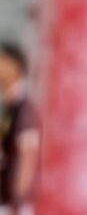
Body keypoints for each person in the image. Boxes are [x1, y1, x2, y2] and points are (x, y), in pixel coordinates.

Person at [0, 42, 39, 215]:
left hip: (13, 206)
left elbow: (28, 158)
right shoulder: (10, 107)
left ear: (14, 67)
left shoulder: (24, 109)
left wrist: (17, 202)